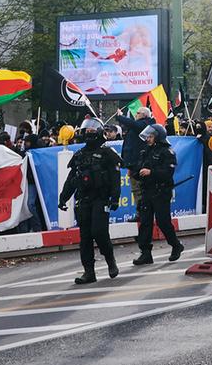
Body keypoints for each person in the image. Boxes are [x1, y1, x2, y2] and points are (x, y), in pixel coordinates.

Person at [57, 119, 121, 284]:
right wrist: (63, 197)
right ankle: (89, 272)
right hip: (83, 200)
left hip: (101, 198)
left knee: (99, 232)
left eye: (92, 132)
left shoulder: (108, 153)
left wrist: (115, 198)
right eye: (86, 132)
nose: (89, 134)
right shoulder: (79, 155)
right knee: (85, 237)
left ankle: (110, 260)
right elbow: (72, 179)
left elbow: (115, 177)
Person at [130, 124, 184, 265]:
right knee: (145, 222)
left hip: (161, 192)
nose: (148, 139)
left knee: (163, 221)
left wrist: (151, 172)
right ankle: (146, 253)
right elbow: (138, 169)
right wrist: (136, 172)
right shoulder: (145, 151)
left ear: (158, 137)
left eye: (151, 136)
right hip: (147, 191)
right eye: (147, 136)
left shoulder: (167, 152)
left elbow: (168, 173)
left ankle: (176, 245)